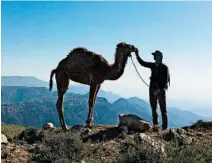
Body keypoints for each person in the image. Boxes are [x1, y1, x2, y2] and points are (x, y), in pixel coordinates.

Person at [135, 49, 170, 130]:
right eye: (155, 56)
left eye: (156, 56)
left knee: (163, 110)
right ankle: (156, 126)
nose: (154, 57)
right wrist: (137, 55)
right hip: (152, 89)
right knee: (154, 109)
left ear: (160, 57)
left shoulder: (165, 67)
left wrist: (160, 89)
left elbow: (166, 80)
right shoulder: (153, 65)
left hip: (160, 91)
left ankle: (164, 128)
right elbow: (142, 63)